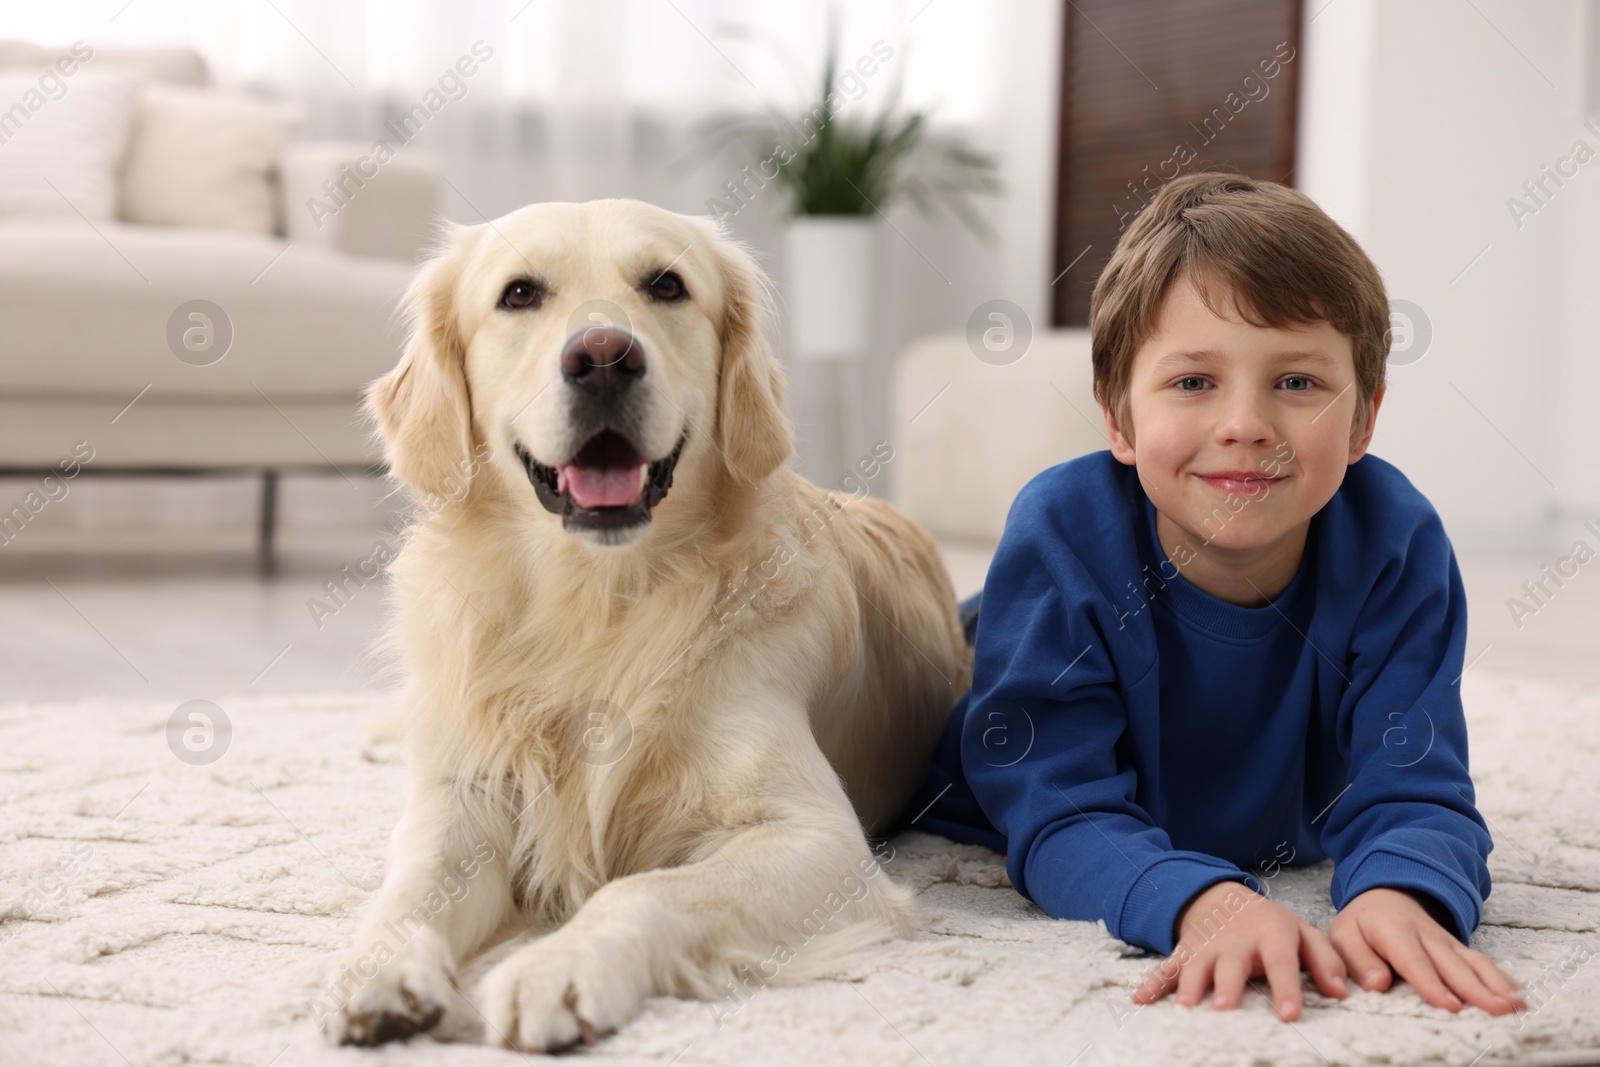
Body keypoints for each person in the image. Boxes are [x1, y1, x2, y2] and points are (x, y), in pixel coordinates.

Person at [888, 171, 1526, 1021]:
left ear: (1365, 419)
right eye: (1194, 382)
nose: (1245, 424)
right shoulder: (1061, 535)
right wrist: (1201, 900)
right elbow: (1059, 808)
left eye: (1297, 383)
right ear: (1117, 418)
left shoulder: (1396, 542)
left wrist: (1402, 894)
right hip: (986, 712)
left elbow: (1417, 784)